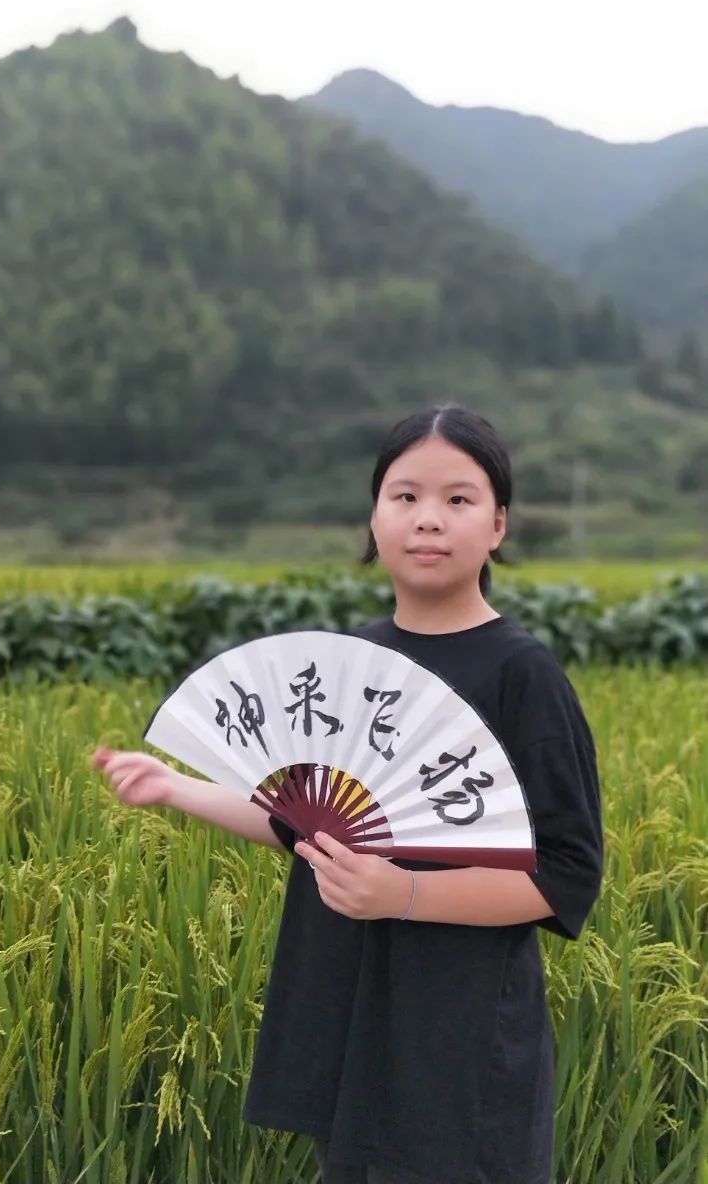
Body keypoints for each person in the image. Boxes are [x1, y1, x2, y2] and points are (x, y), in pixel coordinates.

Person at [89, 403, 603, 1184]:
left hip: (459, 1042)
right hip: (350, 1017)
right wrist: (175, 787)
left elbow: (564, 875)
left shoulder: (520, 675)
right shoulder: (349, 661)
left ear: (498, 525)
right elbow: (305, 823)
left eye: (458, 500)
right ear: (373, 518)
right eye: (405, 497)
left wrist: (402, 893)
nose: (428, 519)